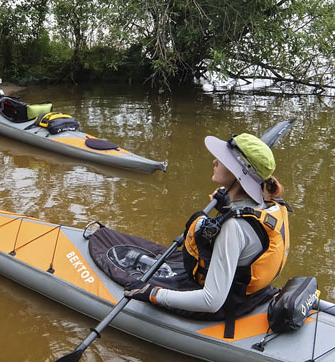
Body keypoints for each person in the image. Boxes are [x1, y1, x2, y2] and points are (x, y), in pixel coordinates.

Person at [123, 132, 291, 338]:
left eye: (222, 159)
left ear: (237, 173)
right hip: (253, 292)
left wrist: (152, 294)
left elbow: (211, 301)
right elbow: (248, 235)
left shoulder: (234, 227)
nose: (214, 161)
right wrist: (227, 207)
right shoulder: (272, 206)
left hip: (228, 304)